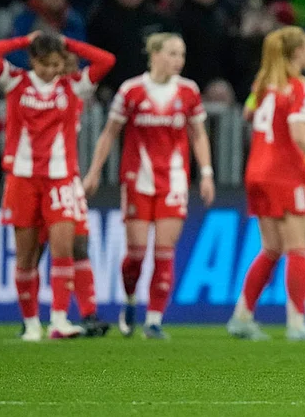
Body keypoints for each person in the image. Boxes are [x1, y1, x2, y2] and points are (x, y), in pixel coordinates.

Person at [0, 31, 115, 341]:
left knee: (64, 250)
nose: (53, 70)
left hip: (61, 179)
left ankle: (58, 320)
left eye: (58, 64)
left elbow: (106, 60)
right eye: (46, 65)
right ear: (33, 60)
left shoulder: (72, 87)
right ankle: (30, 325)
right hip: (22, 179)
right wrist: (24, 40)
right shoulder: (15, 81)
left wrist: (68, 44)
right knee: (26, 257)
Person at [83, 33, 215, 340]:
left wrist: (206, 173)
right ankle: (130, 301)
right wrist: (93, 172)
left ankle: (154, 320)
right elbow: (109, 133)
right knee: (137, 254)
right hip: (137, 179)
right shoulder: (131, 90)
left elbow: (198, 134)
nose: (178, 61)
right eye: (171, 53)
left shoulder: (189, 91)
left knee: (164, 252)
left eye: (181, 55)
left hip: (173, 180)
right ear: (154, 54)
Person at [226, 26, 305, 342]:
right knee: (299, 247)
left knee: (272, 248)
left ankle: (242, 317)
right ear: (298, 52)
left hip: (256, 173)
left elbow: (249, 114)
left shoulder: (263, 85)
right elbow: (301, 133)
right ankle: (297, 324)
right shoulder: (297, 86)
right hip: (284, 174)